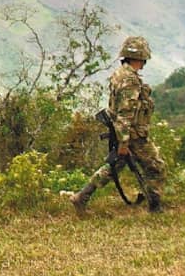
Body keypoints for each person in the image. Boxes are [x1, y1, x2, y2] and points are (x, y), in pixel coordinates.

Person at [71, 36, 166, 213]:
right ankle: (155, 206)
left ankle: (82, 197)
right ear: (141, 57)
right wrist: (124, 142)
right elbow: (125, 113)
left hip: (126, 132)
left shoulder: (120, 74)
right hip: (133, 135)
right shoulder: (129, 79)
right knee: (156, 166)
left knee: (114, 166)